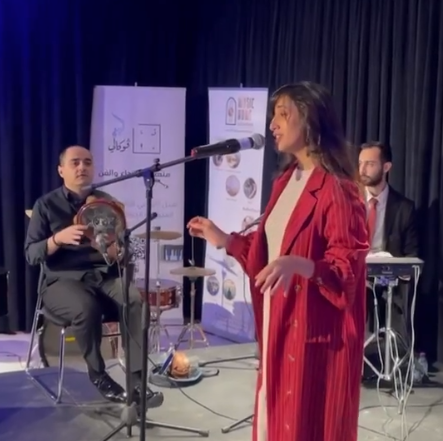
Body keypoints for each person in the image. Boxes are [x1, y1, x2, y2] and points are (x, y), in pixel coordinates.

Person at [188, 82, 369, 441]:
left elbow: (347, 269)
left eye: (283, 114)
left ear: (311, 120)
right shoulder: (287, 181)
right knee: (275, 420)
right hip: (279, 322)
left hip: (314, 334)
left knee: (306, 425)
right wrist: (225, 239)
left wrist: (302, 265)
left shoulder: (337, 188)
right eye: (273, 115)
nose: (272, 124)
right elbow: (270, 253)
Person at [25, 145, 163, 408]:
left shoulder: (107, 203)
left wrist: (115, 249)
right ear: (61, 170)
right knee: (86, 308)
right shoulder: (45, 205)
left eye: (87, 162)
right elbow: (31, 254)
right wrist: (57, 239)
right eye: (75, 162)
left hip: (103, 276)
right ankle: (99, 375)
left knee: (134, 300)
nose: (82, 167)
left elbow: (123, 250)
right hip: (61, 280)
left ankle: (137, 380)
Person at [359, 142, 419, 348]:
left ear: (386, 167)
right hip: (354, 273)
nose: (362, 169)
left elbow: (412, 255)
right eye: (360, 163)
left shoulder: (404, 208)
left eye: (370, 164)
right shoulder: (349, 200)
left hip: (386, 278)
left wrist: (399, 272)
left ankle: (396, 353)